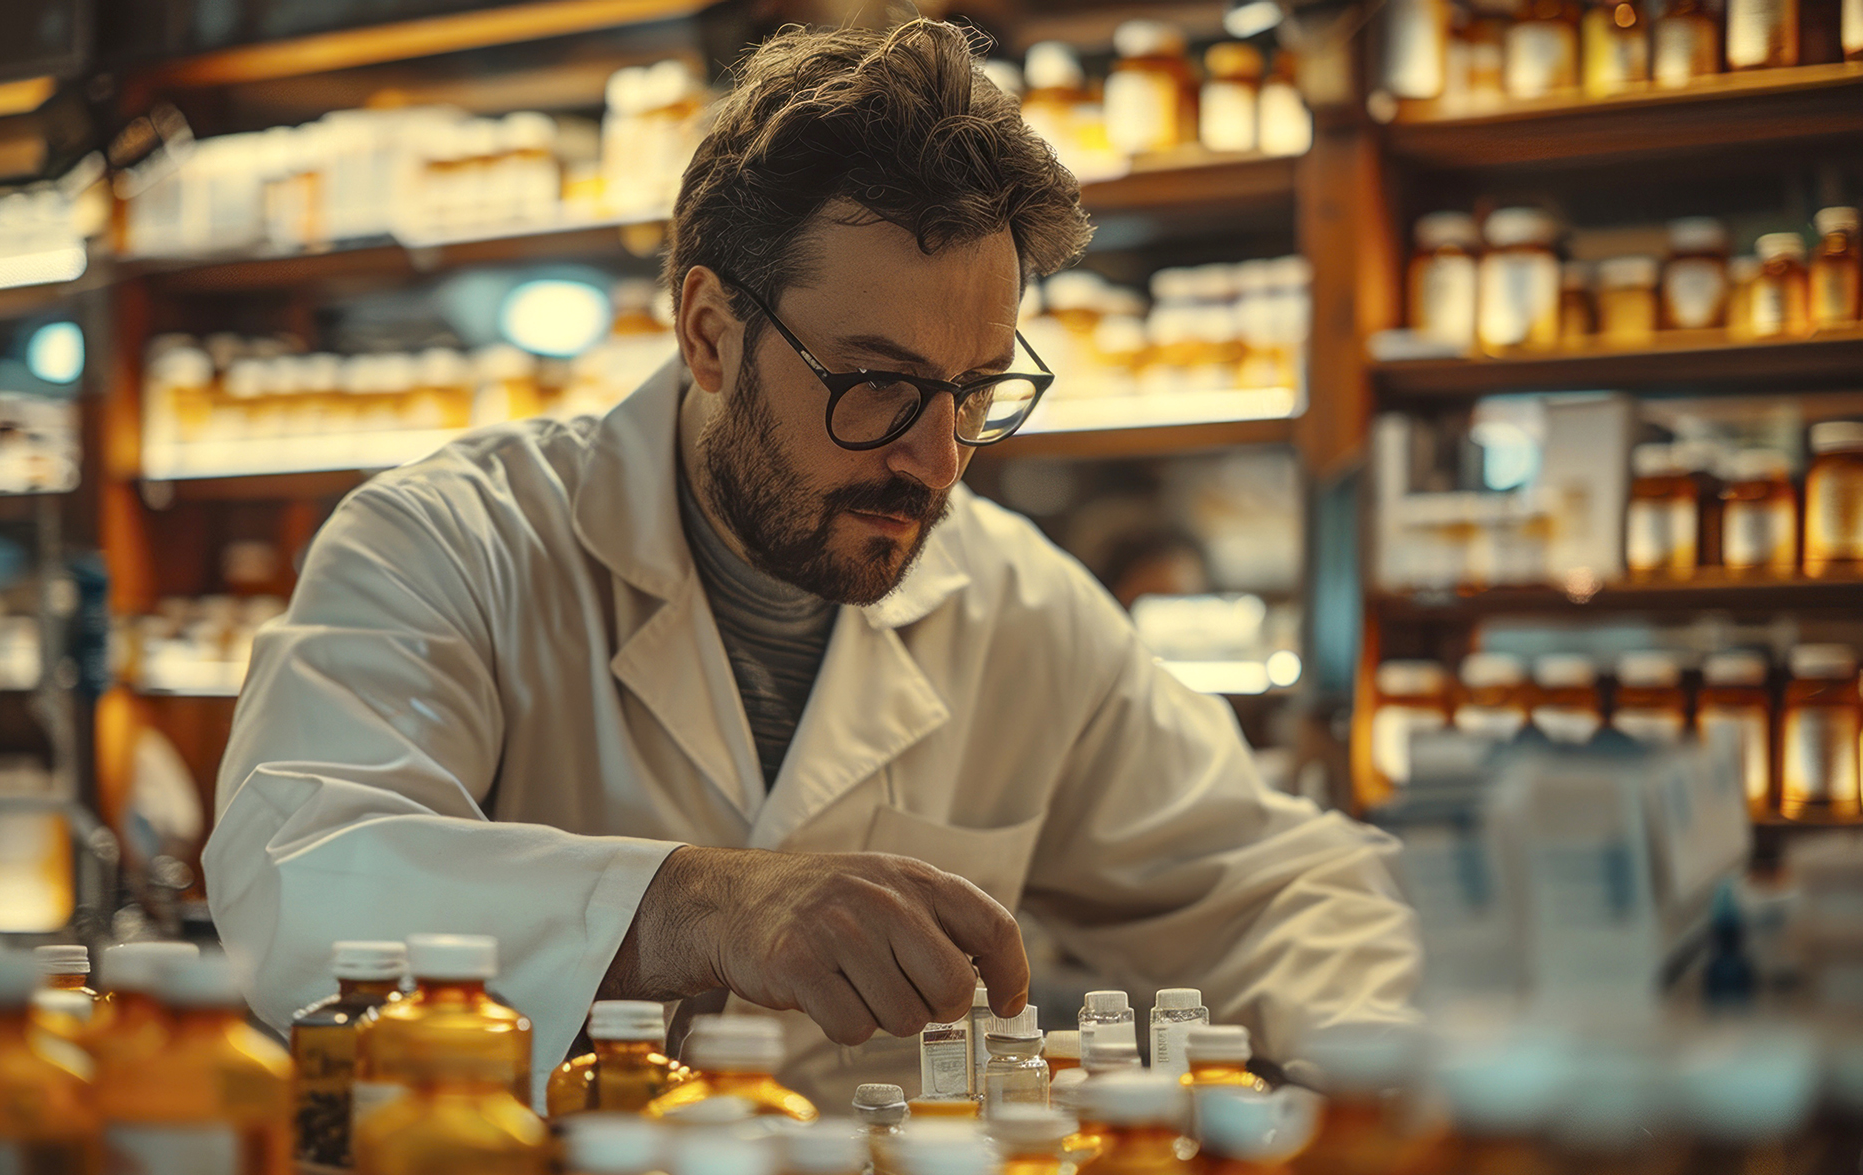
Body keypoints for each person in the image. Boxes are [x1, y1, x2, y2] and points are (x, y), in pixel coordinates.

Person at [204, 19, 1418, 1108]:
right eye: (878, 384)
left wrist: (1434, 1070)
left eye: (977, 391)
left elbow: (1273, 885)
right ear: (710, 333)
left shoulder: (1021, 606)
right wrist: (699, 904)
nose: (937, 461)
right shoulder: (450, 543)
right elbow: (301, 878)